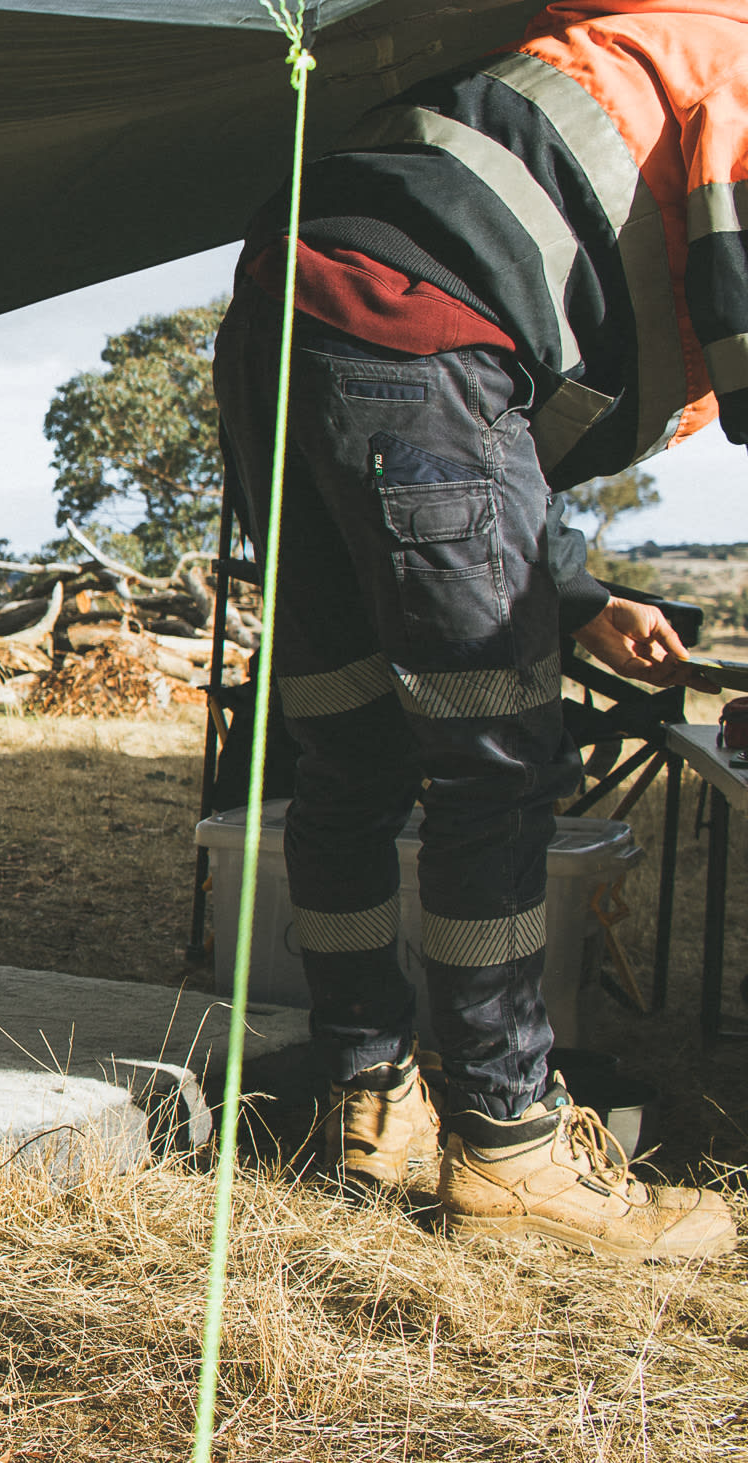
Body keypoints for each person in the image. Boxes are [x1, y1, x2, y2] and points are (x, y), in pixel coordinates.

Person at [213, 0, 739, 1261]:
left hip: (282, 338)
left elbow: (457, 405)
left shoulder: (590, 54)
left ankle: (366, 1097)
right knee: (496, 767)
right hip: (416, 343)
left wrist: (568, 597)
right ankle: (508, 1145)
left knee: (347, 754)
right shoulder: (731, 56)